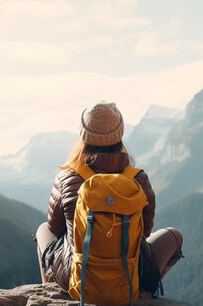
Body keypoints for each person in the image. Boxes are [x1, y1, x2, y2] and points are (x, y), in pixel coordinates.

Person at [35, 102, 183, 296]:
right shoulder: (138, 179)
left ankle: (51, 290)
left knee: (43, 229)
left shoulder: (67, 178)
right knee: (174, 235)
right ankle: (143, 294)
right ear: (120, 135)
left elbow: (56, 229)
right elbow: (144, 233)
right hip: (132, 274)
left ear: (83, 137)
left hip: (78, 277)